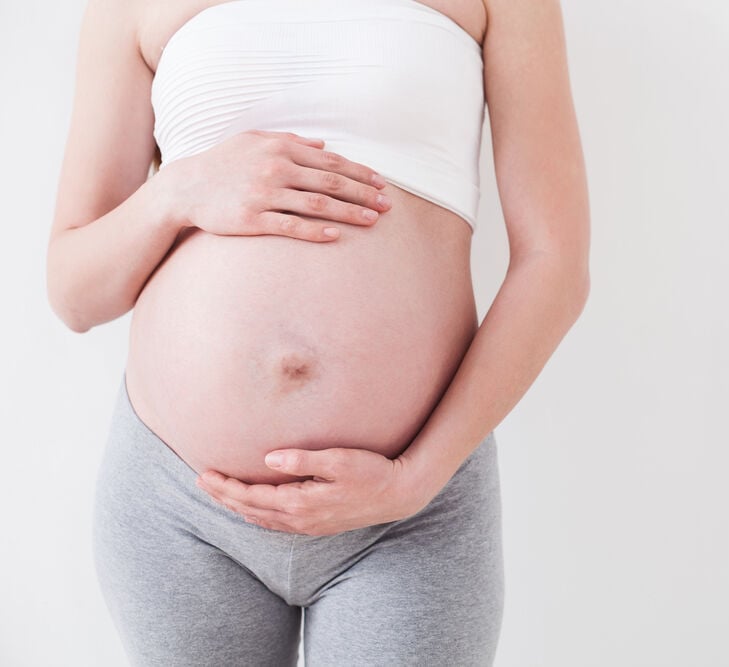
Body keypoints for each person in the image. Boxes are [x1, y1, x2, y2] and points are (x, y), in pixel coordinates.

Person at [47, 0, 589, 663]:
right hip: (184, 508)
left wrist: (413, 479)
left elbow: (555, 263)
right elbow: (74, 290)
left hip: (409, 511)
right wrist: (178, 192)